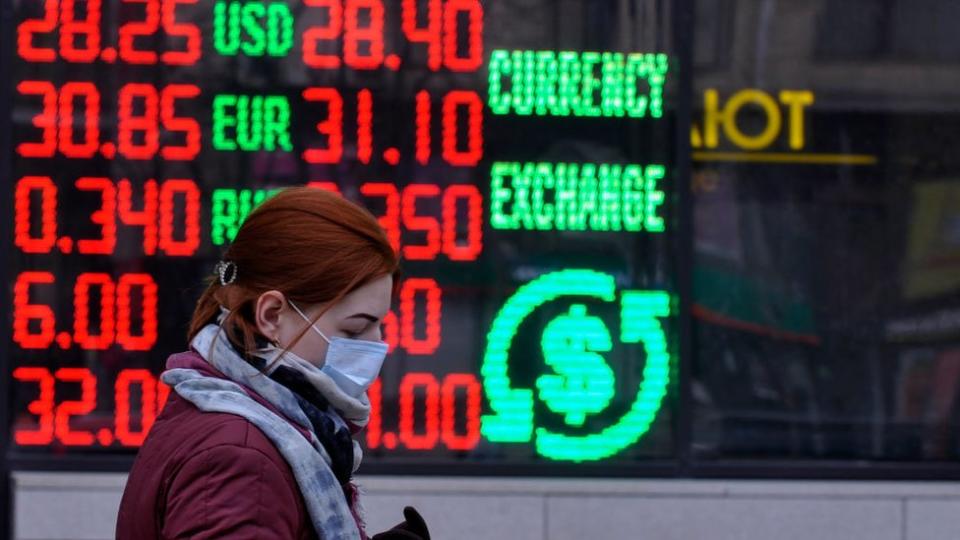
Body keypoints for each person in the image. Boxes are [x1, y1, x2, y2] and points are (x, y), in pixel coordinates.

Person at [116, 186, 430, 540]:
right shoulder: (241, 461)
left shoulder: (223, 414)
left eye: (379, 324)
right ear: (271, 315)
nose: (376, 345)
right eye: (355, 328)